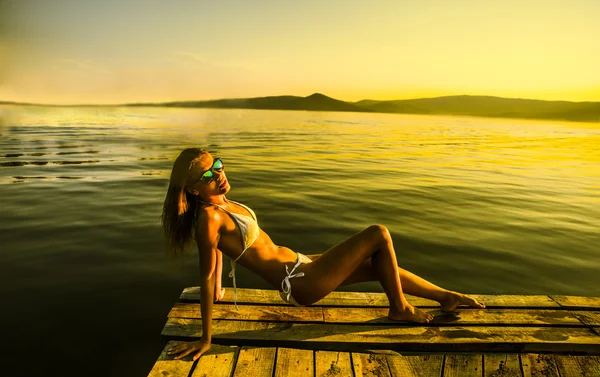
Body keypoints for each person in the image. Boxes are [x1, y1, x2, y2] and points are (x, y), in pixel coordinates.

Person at [163, 148, 485, 360]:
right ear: (193, 190)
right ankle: (399, 308)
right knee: (378, 233)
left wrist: (221, 289)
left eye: (217, 165)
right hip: (299, 282)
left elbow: (219, 258)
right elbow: (205, 273)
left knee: (377, 265)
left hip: (302, 263)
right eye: (208, 175)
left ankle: (445, 296)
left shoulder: (222, 203)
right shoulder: (209, 218)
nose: (219, 175)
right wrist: (207, 339)